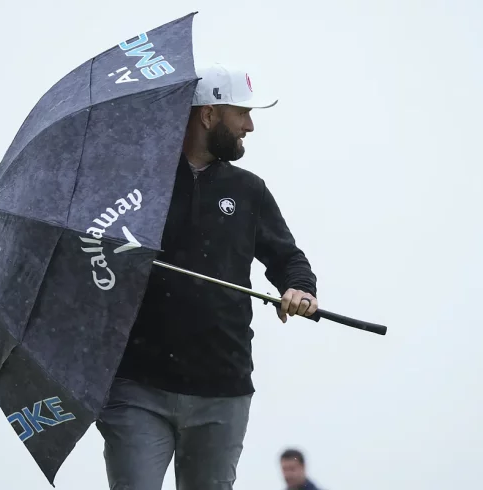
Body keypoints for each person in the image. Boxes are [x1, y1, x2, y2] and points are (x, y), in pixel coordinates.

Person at [95, 62, 320, 490]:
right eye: (242, 113)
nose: (249, 126)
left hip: (223, 389)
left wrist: (299, 288)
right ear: (209, 114)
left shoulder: (250, 190)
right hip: (137, 387)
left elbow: (288, 258)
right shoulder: (139, 183)